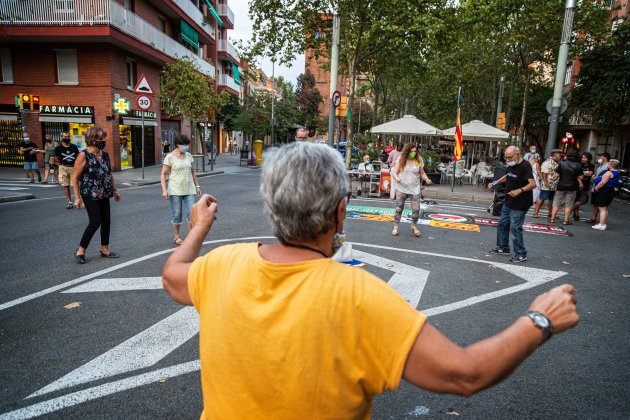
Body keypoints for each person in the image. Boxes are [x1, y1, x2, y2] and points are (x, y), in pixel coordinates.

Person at [162, 141, 579, 418]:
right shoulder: (358, 295)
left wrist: (198, 227)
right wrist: (539, 320)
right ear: (341, 211)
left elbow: (172, 276)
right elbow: (463, 373)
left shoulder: (223, 264)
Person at [72, 126, 121, 264]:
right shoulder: (83, 155)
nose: (103, 140)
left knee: (106, 222)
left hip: (104, 192)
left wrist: (115, 190)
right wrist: (77, 198)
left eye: (104, 138)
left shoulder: (104, 154)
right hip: (89, 193)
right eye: (101, 138)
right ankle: (81, 250)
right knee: (95, 222)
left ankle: (105, 249)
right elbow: (75, 177)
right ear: (92, 139)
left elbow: (108, 174)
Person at [488, 146, 536, 263]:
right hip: (509, 201)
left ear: (517, 154)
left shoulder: (525, 166)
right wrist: (495, 182)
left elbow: (533, 184)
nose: (507, 159)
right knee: (502, 224)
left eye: (509, 157)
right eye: (506, 157)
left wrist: (519, 190)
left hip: (521, 202)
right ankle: (503, 247)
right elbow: (507, 175)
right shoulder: (511, 164)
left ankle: (521, 253)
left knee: (515, 228)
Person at [161, 134, 202, 245]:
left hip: (189, 189)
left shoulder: (188, 156)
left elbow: (192, 172)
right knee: (177, 213)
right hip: (175, 190)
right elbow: (163, 174)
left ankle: (191, 237)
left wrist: (197, 186)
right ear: (178, 145)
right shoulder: (169, 157)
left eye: (187, 145)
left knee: (192, 213)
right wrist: (164, 190)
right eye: (185, 145)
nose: (187, 147)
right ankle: (177, 236)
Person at [391, 143, 432, 237]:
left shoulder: (418, 159)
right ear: (407, 151)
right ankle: (395, 227)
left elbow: (422, 173)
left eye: (415, 151)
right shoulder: (401, 158)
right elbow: (394, 172)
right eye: (411, 151)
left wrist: (426, 179)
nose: (413, 153)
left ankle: (413, 226)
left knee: (416, 209)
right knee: (399, 207)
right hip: (401, 188)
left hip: (414, 188)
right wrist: (397, 178)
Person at [550, 150, 583, 225]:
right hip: (572, 186)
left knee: (556, 203)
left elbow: (556, 175)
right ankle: (566, 221)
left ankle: (552, 219)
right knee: (569, 204)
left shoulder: (562, 163)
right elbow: (581, 177)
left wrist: (552, 179)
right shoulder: (578, 165)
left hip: (561, 186)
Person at [590, 159, 620, 231]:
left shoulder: (608, 173)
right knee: (605, 208)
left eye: (609, 164)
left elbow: (603, 182)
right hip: (610, 190)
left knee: (602, 208)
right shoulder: (617, 172)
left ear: (610, 165)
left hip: (604, 190)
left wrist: (596, 187)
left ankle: (601, 224)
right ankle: (603, 223)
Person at [532, 149, 561, 220]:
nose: (560, 155)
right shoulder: (547, 162)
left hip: (554, 185)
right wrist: (545, 182)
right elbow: (544, 173)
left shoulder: (557, 162)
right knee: (542, 198)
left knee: (551, 199)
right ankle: (536, 212)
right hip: (547, 184)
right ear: (554, 154)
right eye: (559, 154)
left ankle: (550, 213)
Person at [56, 132, 81, 209]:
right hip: (63, 168)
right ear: (61, 137)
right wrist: (61, 165)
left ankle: (78, 200)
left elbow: (78, 157)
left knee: (75, 185)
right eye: (65, 137)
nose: (67, 138)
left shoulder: (74, 147)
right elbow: (56, 158)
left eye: (68, 136)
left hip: (73, 167)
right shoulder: (58, 148)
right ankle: (69, 202)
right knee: (66, 185)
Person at [585, 152, 610, 224]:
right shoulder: (600, 165)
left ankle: (602, 222)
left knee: (602, 206)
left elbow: (605, 178)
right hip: (596, 187)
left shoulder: (608, 166)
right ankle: (594, 218)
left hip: (602, 188)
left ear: (605, 157)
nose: (599, 158)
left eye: (601, 157)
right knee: (595, 204)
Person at [572, 152, 594, 222]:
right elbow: (575, 174)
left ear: (589, 159)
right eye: (582, 157)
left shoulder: (591, 165)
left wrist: (580, 173)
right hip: (576, 184)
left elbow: (590, 173)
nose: (583, 159)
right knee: (576, 200)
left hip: (586, 186)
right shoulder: (578, 164)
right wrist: (584, 174)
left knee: (583, 200)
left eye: (585, 158)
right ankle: (576, 214)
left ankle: (569, 209)